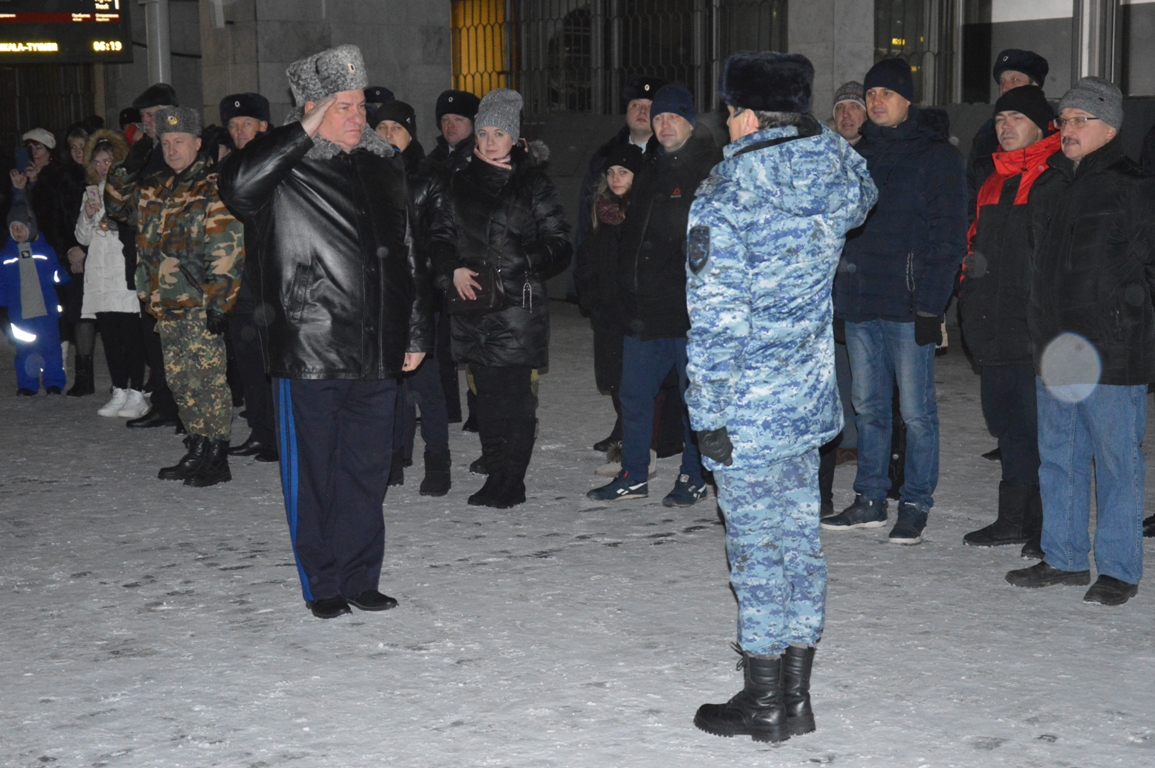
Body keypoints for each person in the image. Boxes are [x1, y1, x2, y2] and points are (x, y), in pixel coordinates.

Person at [688, 51, 876, 744]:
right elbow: (864, 191)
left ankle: (763, 706)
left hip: (746, 407)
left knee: (757, 557)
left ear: (741, 112)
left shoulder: (728, 192)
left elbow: (715, 320)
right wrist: (816, 135)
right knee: (799, 547)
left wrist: (706, 413)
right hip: (806, 400)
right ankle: (795, 698)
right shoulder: (831, 171)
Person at [219, 44, 433, 619]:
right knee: (314, 472)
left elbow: (407, 254)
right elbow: (238, 188)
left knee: (366, 470)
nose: (359, 117)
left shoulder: (383, 161)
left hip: (376, 346)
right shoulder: (285, 164)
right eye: (344, 107)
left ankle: (363, 575)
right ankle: (324, 581)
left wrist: (413, 332)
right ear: (312, 110)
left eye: (361, 105)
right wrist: (302, 130)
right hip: (310, 342)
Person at [1005, 77, 1155, 606]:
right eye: (1063, 120)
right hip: (1057, 348)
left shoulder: (1134, 187)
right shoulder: (1048, 185)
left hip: (1112, 350)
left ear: (1109, 128)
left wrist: (1130, 322)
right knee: (1060, 458)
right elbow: (1035, 269)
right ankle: (1064, 557)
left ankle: (1118, 568)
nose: (1066, 129)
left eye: (1079, 120)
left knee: (1116, 463)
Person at [822, 58, 967, 544]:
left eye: (885, 93)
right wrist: (843, 296)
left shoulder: (935, 157)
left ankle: (915, 502)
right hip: (863, 302)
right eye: (870, 94)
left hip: (908, 306)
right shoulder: (857, 154)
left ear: (908, 100)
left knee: (917, 413)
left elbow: (948, 238)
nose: (875, 101)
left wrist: (931, 306)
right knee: (867, 408)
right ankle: (869, 498)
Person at [429, 87, 572, 509]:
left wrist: (523, 259)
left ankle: (511, 480)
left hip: (518, 302)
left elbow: (560, 241)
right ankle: (495, 472)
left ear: (515, 138)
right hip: (471, 303)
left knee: (515, 397)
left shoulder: (532, 183)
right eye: (485, 133)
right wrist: (451, 268)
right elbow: (438, 236)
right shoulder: (458, 183)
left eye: (500, 134)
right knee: (485, 396)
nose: (490, 142)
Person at [587, 83, 721, 507]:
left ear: (689, 120)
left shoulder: (708, 170)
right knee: (633, 395)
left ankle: (693, 474)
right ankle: (633, 473)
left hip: (687, 314)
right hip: (644, 311)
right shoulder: (648, 170)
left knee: (691, 401)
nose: (664, 124)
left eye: (673, 117)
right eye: (658, 117)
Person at [119, 106, 245, 487]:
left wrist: (220, 304)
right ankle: (197, 447)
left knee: (208, 382)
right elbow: (114, 207)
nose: (172, 149)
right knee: (180, 382)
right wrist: (129, 165)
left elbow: (227, 248)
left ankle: (217, 455)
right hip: (164, 304)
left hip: (198, 302)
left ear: (197, 144)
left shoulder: (213, 185)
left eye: (180, 142)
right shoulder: (154, 186)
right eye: (166, 142)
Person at [957, 86, 1058, 553]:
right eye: (1000, 119)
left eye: (1017, 117)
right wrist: (970, 303)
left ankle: (1046, 528)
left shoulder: (1055, 178)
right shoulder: (993, 181)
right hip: (993, 330)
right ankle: (1012, 519)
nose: (1006, 125)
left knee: (1045, 435)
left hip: (1036, 334)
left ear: (1041, 126)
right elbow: (974, 251)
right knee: (1010, 430)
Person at [575, 75, 666, 453]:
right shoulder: (606, 156)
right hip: (610, 291)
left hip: (649, 293)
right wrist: (587, 287)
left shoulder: (669, 155)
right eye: (635, 107)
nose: (642, 112)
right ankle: (625, 427)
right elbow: (587, 226)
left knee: (650, 373)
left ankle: (652, 435)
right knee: (616, 369)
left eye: (649, 108)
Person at [369, 99, 452, 496]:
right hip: (381, 296)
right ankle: (392, 456)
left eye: (395, 128)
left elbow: (441, 236)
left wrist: (429, 277)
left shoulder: (430, 176)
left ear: (410, 133)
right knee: (389, 384)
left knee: (425, 384)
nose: (387, 135)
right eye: (381, 128)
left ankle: (438, 458)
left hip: (419, 293)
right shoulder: (364, 171)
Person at [104, 82, 184, 432]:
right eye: (143, 117)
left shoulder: (184, 148)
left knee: (181, 340)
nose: (146, 122)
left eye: (151, 115)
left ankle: (187, 408)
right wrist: (131, 161)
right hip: (144, 258)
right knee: (153, 337)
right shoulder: (146, 150)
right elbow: (116, 206)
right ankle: (165, 403)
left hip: (176, 260)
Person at [573, 143, 644, 470]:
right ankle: (622, 429)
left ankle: (634, 440)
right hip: (606, 311)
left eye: (624, 172)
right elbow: (587, 256)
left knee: (634, 382)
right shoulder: (601, 209)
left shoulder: (642, 211)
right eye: (612, 172)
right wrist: (589, 293)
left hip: (633, 313)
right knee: (615, 378)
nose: (616, 178)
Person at [218, 92, 278, 464]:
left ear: (264, 127)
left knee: (269, 364)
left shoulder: (273, 162)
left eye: (247, 125)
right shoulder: (228, 166)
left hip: (268, 282)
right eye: (234, 126)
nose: (240, 132)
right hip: (238, 281)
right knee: (248, 363)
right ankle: (260, 430)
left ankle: (275, 433)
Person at [74, 129, 149, 419]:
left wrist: (111, 223)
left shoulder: (130, 188)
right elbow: (82, 237)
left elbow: (134, 228)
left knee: (131, 335)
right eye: (98, 162)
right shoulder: (89, 192)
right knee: (110, 335)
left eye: (108, 160)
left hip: (122, 270)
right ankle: (118, 389)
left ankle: (137, 392)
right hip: (99, 273)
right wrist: (89, 215)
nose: (103, 167)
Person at [428, 88, 482, 426]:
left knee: (474, 340)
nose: (450, 125)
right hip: (440, 258)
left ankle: (479, 410)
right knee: (441, 341)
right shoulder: (433, 160)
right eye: (445, 120)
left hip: (470, 260)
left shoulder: (479, 158)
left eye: (458, 119)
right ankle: (447, 407)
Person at [967, 50, 1049, 221]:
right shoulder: (985, 136)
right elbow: (972, 197)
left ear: (1034, 86)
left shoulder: (1057, 135)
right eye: (1002, 82)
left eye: (1014, 80)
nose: (1005, 88)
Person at [0, 201, 70, 395]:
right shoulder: (5, 255)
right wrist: (4, 308)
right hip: (20, 312)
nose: (18, 231)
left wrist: (67, 271)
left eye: (21, 227)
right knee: (25, 350)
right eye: (13, 228)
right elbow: (2, 283)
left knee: (51, 348)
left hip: (46, 309)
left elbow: (56, 274)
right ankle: (27, 384)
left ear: (31, 227)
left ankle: (54, 382)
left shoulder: (45, 251)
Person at [59, 122, 98, 397]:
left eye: (82, 147)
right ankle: (83, 376)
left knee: (102, 317)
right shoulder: (65, 178)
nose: (77, 153)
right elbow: (60, 221)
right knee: (79, 314)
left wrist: (85, 250)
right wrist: (71, 251)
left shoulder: (98, 177)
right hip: (73, 255)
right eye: (73, 148)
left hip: (98, 253)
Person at [832, 80, 867, 146]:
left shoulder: (882, 152)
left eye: (854, 106)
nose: (845, 114)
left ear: (867, 114)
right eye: (839, 107)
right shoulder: (819, 151)